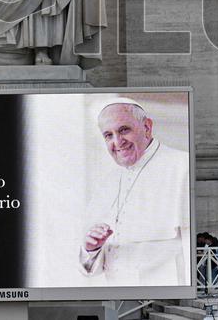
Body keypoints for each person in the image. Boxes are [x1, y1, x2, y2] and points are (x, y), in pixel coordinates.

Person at [80, 99, 191, 285]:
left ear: (147, 127)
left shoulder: (182, 167)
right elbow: (94, 267)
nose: (117, 142)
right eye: (108, 135)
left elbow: (190, 246)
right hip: (117, 297)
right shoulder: (107, 182)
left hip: (164, 294)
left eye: (124, 130)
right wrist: (91, 249)